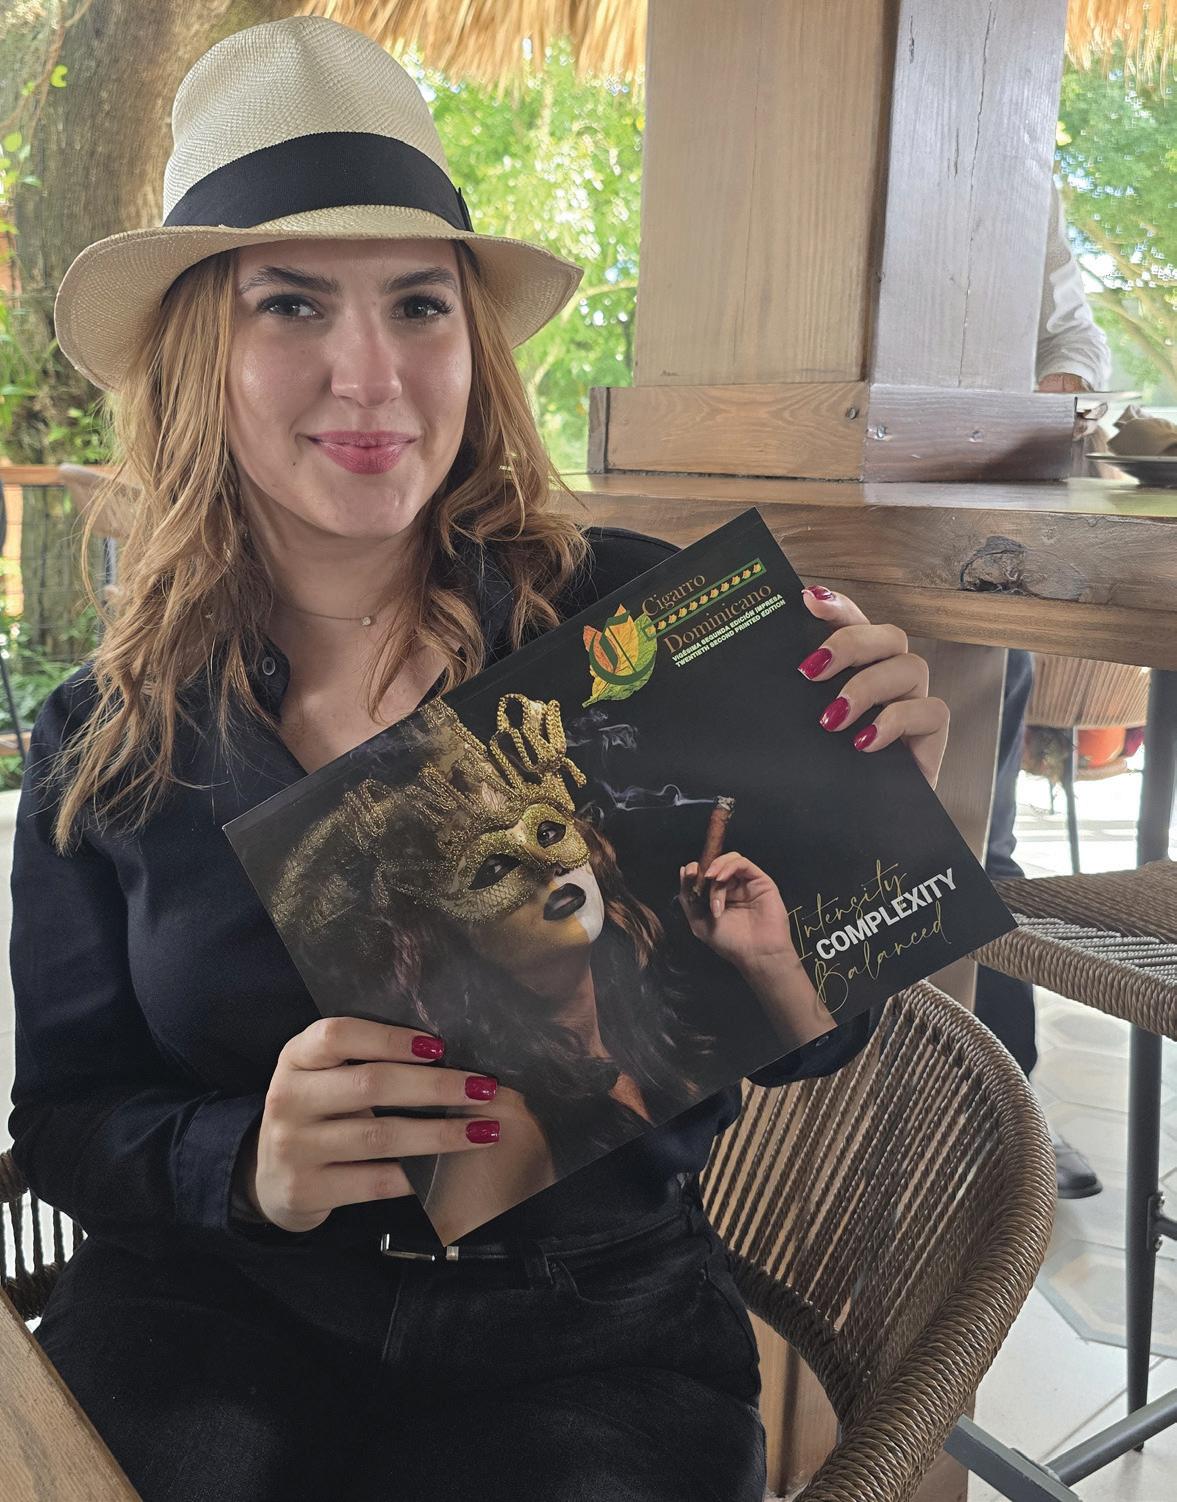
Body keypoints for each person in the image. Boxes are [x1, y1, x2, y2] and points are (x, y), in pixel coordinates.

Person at [7, 17, 950, 1501]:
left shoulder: (636, 624)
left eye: (419, 306)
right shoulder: (107, 734)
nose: (372, 376)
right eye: (292, 305)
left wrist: (867, 811)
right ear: (199, 352)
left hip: (594, 1333)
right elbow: (65, 1121)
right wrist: (241, 1161)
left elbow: (813, 1043)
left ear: (474, 344)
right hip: (209, 1312)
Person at [264, 691, 836, 1243]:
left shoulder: (646, 1017)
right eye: (493, 870)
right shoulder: (509, 1123)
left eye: (546, 831)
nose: (545, 868)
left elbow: (819, 1055)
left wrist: (769, 961)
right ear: (452, 938)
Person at [974, 180, 1112, 1201]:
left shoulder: (1015, 175)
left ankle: (1010, 1114)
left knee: (978, 844)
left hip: (975, 545)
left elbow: (1072, 335)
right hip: (807, 532)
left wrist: (1044, 398)